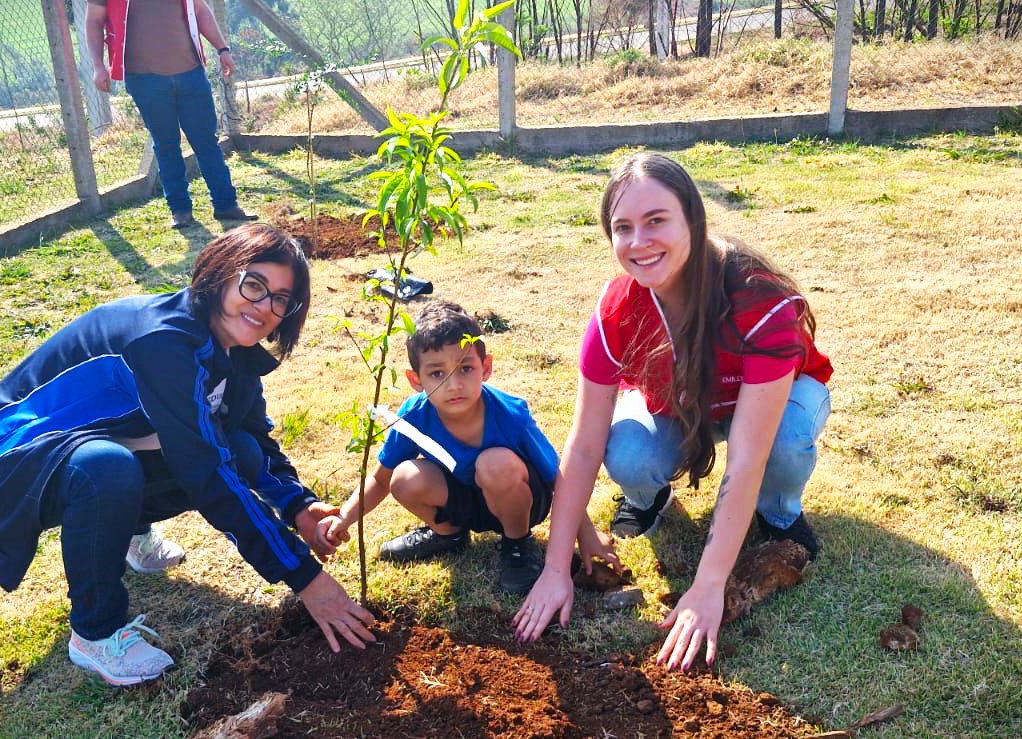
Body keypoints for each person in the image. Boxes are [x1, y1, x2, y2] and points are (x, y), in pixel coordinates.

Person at [0, 224, 374, 687]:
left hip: (94, 437)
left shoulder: (233, 350)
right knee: (106, 470)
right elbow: (205, 472)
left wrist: (298, 506)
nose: (264, 307)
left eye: (281, 299)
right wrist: (306, 578)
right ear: (220, 275)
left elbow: (248, 440)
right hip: (2, 461)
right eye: (254, 285)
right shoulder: (163, 342)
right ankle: (95, 632)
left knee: (236, 447)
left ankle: (128, 530)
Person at [511, 153, 833, 672]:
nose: (640, 242)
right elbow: (585, 444)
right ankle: (648, 498)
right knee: (629, 450)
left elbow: (745, 457)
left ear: (692, 218)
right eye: (623, 227)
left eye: (656, 220)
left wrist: (709, 584)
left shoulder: (757, 298)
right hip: (685, 407)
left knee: (785, 438)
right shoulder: (616, 312)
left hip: (775, 402)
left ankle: (780, 515)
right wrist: (555, 567)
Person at [321, 300, 558, 595]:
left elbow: (556, 478)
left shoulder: (511, 414)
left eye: (465, 368)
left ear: (486, 368)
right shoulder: (414, 416)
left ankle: (517, 544)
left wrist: (585, 535)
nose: (454, 384)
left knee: (494, 464)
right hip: (466, 499)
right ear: (415, 379)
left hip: (521, 501)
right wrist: (344, 517)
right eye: (437, 374)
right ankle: (449, 535)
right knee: (405, 477)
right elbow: (380, 479)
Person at [85, 0, 258, 227]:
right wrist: (98, 66)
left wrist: (222, 49)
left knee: (206, 141)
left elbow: (200, 10)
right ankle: (180, 210)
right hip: (144, 79)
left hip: (191, 74)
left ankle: (226, 205)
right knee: (166, 144)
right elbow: (94, 21)